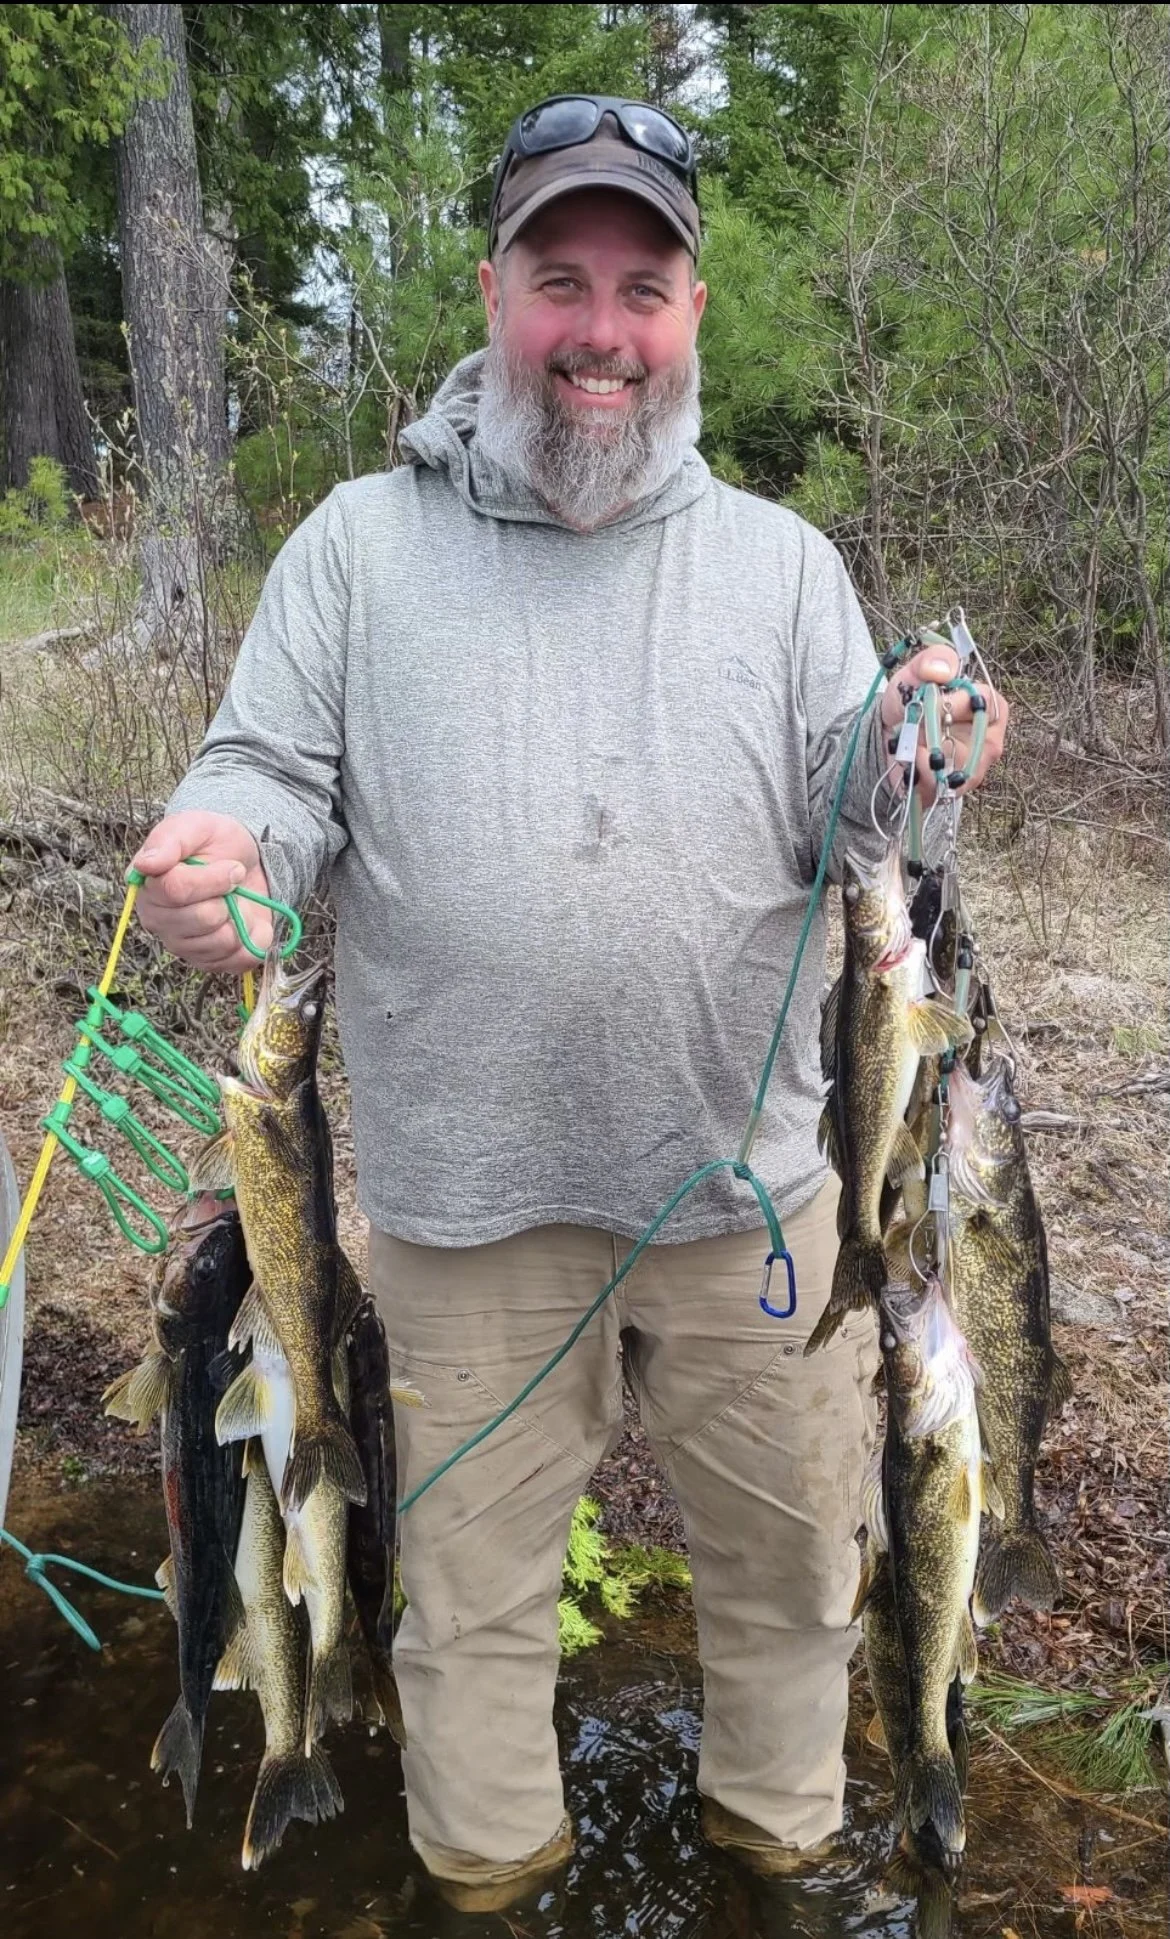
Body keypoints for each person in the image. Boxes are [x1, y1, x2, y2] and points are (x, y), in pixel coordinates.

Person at [133, 96, 1008, 1919]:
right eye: (560, 281)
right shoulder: (355, 552)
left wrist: (929, 741)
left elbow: (870, 805)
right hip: (466, 1211)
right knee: (463, 1616)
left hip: (756, 1201)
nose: (599, 331)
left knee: (794, 1592)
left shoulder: (777, 567)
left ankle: (776, 1863)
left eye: (642, 286)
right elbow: (268, 775)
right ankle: (491, 1883)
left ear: (690, 315)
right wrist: (230, 847)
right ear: (494, 292)